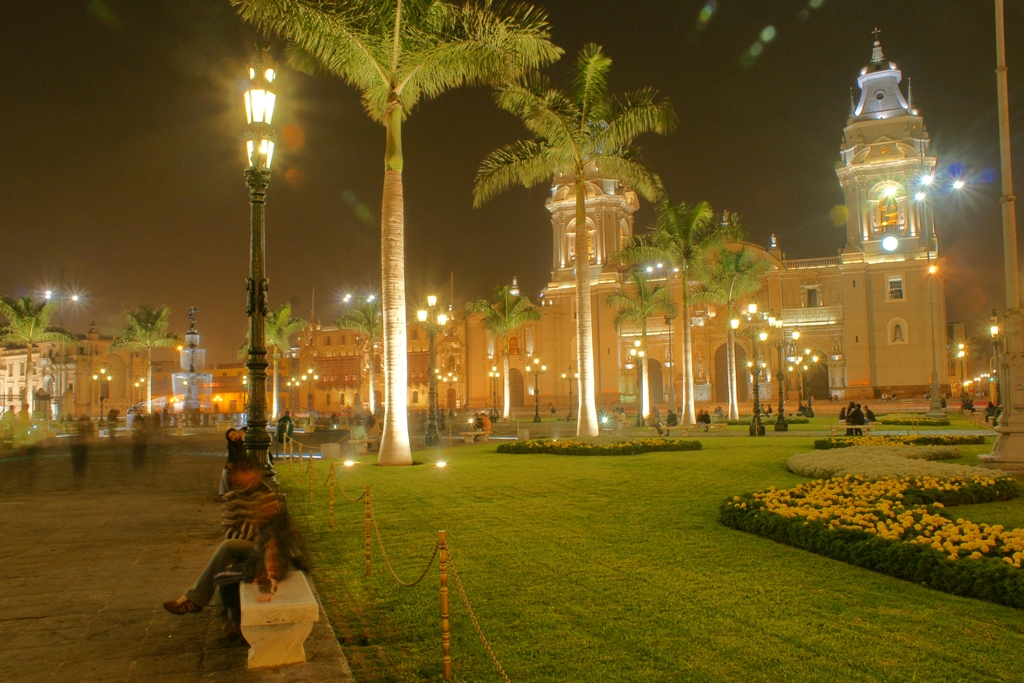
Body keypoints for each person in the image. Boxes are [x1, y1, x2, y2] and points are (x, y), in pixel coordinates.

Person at [164, 462, 310, 637]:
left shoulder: (267, 493)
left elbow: (275, 531)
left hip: (266, 547)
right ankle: (220, 615)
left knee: (225, 563)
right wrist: (256, 528)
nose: (242, 480)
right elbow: (230, 531)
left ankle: (199, 601)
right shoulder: (232, 497)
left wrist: (258, 529)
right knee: (227, 553)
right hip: (249, 545)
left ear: (254, 473)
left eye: (246, 474)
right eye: (238, 477)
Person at [217, 428, 247, 501]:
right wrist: (228, 463)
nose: (233, 437)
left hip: (246, 463)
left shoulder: (244, 440)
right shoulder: (231, 445)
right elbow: (231, 456)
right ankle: (222, 493)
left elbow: (243, 455)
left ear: (237, 432)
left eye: (233, 434)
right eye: (231, 437)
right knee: (225, 471)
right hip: (237, 463)